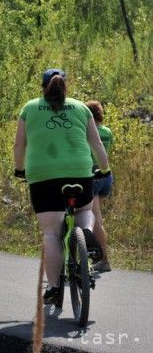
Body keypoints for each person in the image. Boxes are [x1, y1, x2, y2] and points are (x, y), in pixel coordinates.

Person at [14, 69, 110, 304]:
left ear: (42, 87)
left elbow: (19, 145)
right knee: (85, 211)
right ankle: (86, 231)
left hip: (43, 176)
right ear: (65, 86)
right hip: (79, 171)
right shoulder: (81, 107)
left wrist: (19, 170)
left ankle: (55, 288)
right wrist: (105, 169)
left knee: (51, 233)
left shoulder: (30, 107)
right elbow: (96, 142)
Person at [85, 100, 113, 272]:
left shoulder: (87, 131)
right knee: (94, 215)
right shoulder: (107, 132)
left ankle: (103, 259)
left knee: (95, 219)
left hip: (91, 175)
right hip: (106, 175)